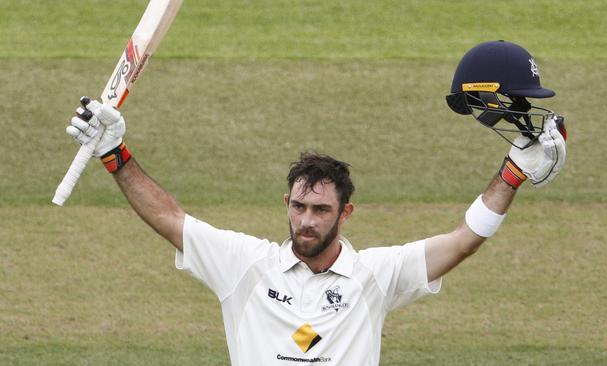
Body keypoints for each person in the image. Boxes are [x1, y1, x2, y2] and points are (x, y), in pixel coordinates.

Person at [65, 40, 567, 365]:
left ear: (345, 213)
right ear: (287, 203)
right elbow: (169, 219)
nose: (306, 222)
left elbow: (463, 241)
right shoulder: (245, 266)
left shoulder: (376, 274)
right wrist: (115, 155)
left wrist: (511, 176)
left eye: (321, 211)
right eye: (300, 208)